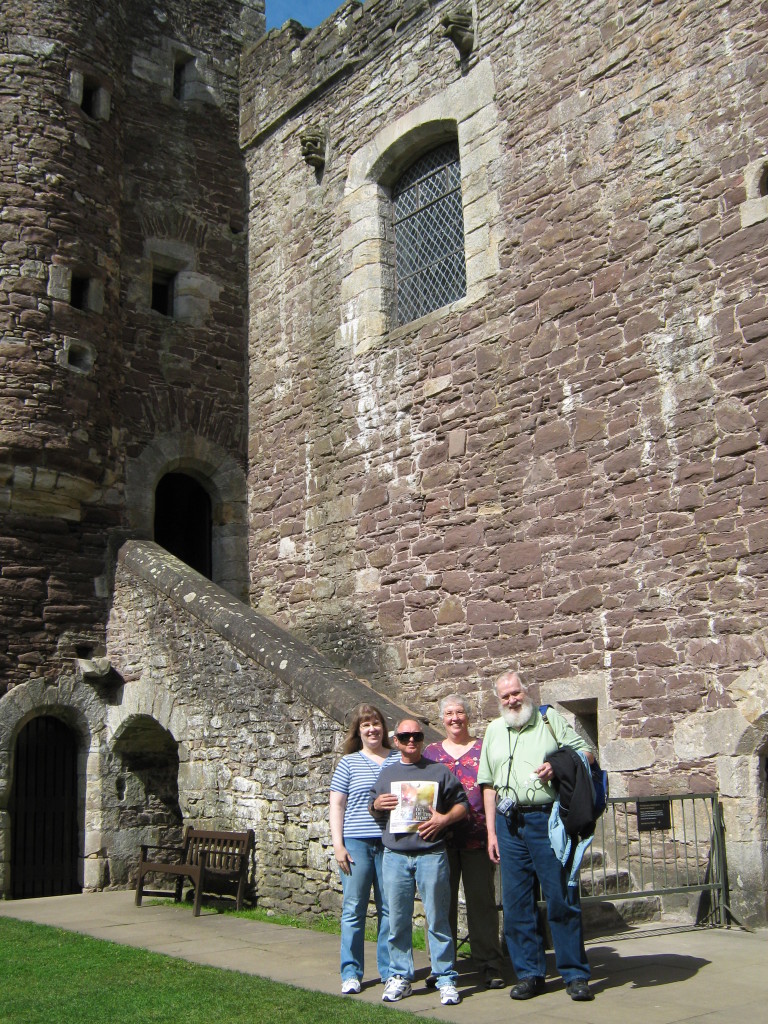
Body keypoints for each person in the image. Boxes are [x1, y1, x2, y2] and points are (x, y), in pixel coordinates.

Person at [478, 670, 596, 1003]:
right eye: (505, 696)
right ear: (498, 700)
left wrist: (558, 765)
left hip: (548, 821)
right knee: (517, 904)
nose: (512, 700)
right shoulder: (493, 730)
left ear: (525, 691)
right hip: (509, 824)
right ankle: (530, 973)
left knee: (561, 897)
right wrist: (491, 832)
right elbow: (487, 785)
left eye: (515, 693)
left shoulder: (548, 720)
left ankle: (574, 974)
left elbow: (586, 753)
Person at [370, 718, 468, 1006]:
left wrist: (444, 818)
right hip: (396, 855)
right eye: (405, 736)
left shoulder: (438, 771)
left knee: (438, 917)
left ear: (422, 739)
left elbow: (462, 804)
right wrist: (376, 805)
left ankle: (445, 977)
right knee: (397, 919)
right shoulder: (387, 774)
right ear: (396, 741)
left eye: (417, 735)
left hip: (431, 854)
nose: (411, 740)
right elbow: (374, 808)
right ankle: (400, 976)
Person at [423, 694, 506, 989]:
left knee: (481, 903)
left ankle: (489, 963)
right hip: (439, 841)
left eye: (460, 712)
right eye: (449, 713)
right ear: (442, 719)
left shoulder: (484, 749)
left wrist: (494, 833)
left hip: (476, 839)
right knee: (439, 904)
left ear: (468, 716)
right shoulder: (430, 753)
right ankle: (441, 966)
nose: (455, 717)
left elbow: (490, 789)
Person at [330, 703, 399, 995]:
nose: (372, 729)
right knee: (354, 909)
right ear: (358, 731)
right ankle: (351, 972)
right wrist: (338, 845)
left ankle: (390, 972)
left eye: (376, 724)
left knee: (390, 909)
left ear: (384, 728)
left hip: (391, 842)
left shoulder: (398, 759)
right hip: (356, 843)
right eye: (365, 725)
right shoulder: (348, 763)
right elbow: (337, 803)